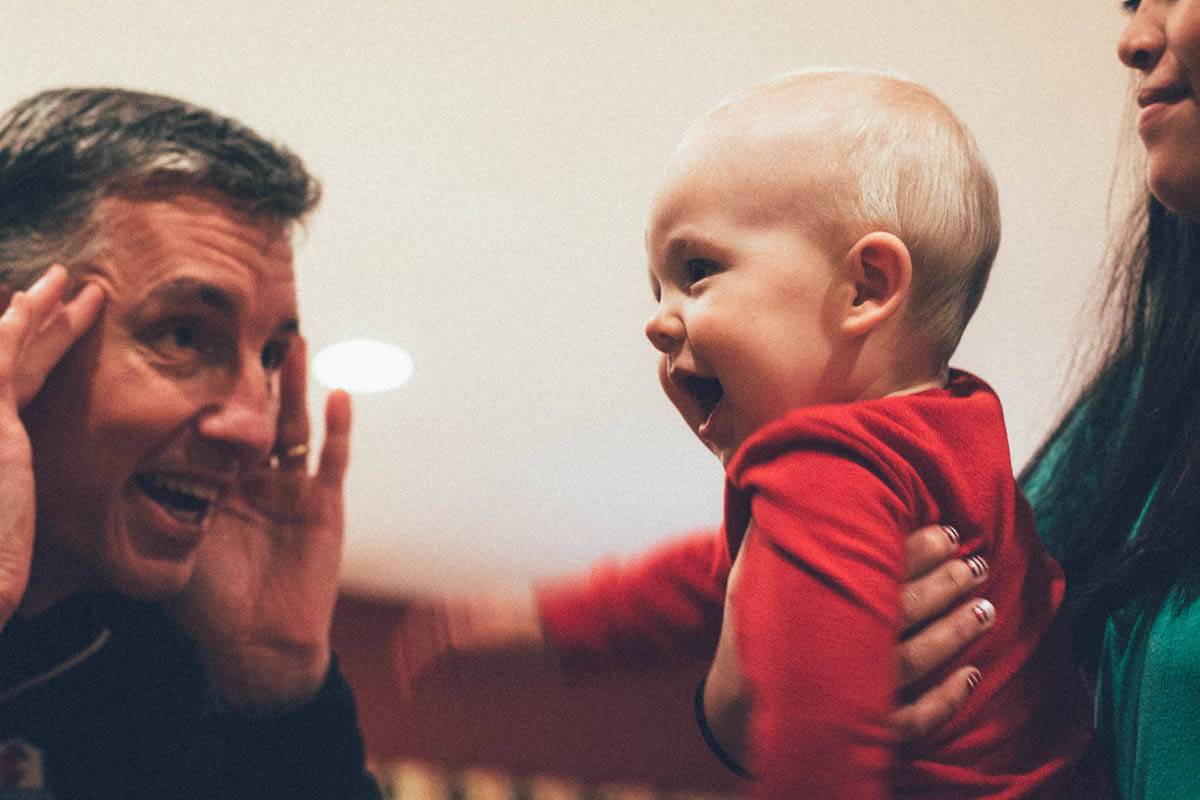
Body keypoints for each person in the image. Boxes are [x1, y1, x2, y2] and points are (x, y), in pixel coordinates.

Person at [0, 88, 381, 799]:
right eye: (182, 335)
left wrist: (283, 717)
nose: (255, 430)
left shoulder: (166, 674)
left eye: (270, 356)